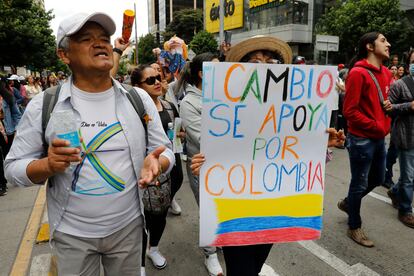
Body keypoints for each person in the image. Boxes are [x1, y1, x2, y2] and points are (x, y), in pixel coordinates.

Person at [4, 12, 174, 275]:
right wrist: (48, 165)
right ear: (64, 55)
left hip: (128, 229)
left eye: (104, 38)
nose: (100, 44)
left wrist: (158, 163)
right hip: (72, 235)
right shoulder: (44, 104)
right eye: (86, 39)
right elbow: (13, 169)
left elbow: (165, 152)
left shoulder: (136, 98)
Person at [337, 32, 392, 247]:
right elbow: (349, 111)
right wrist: (376, 125)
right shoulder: (358, 73)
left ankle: (349, 203)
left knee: (377, 178)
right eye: (382, 40)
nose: (388, 44)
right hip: (361, 139)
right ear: (369, 46)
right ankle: (354, 226)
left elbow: (384, 101)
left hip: (379, 138)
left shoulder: (386, 73)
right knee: (359, 182)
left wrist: (388, 107)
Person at [131, 65, 184, 274]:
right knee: (141, 218)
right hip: (143, 172)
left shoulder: (169, 106)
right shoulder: (134, 109)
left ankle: (154, 248)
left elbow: (180, 130)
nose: (157, 83)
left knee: (159, 215)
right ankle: (140, 263)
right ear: (137, 87)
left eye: (159, 78)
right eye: (150, 80)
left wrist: (179, 136)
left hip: (169, 165)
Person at [179, 52, 224, 276]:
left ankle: (224, 240)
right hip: (203, 167)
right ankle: (211, 254)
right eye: (217, 68)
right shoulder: (189, 103)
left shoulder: (225, 96)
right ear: (202, 74)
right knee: (209, 211)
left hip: (228, 166)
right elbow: (204, 139)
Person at [387, 49, 414, 228]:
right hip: (407, 137)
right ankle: (405, 210)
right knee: (408, 176)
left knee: (410, 176)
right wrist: (409, 106)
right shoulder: (400, 85)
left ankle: (395, 191)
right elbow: (388, 108)